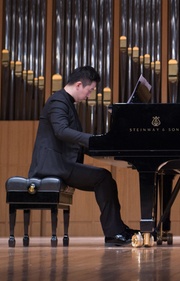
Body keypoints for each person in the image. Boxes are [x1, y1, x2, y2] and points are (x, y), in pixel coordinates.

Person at [28, 66, 136, 246]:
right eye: (90, 90)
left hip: (60, 164)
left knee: (105, 179)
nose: (89, 95)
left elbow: (74, 141)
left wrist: (105, 150)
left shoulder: (66, 103)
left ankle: (118, 230)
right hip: (52, 166)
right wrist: (95, 140)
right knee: (103, 177)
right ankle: (114, 233)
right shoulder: (58, 101)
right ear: (79, 85)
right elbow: (62, 131)